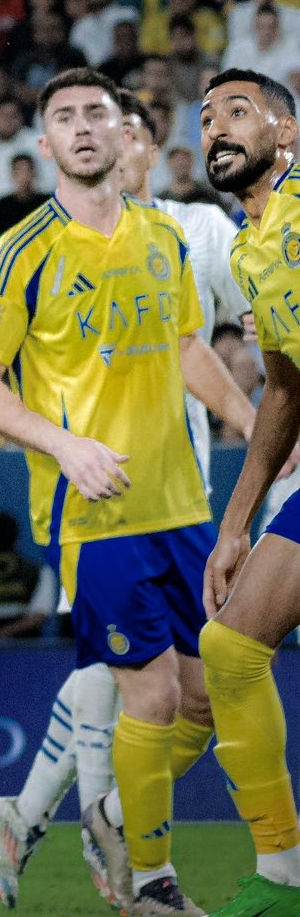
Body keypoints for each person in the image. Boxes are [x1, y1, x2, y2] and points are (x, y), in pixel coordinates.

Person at [0, 68, 256, 917]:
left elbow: (188, 345)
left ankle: (105, 814)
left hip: (183, 505)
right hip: (95, 513)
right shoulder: (24, 249)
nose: (84, 127)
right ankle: (151, 884)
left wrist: (250, 421)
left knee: (206, 696)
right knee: (149, 694)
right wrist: (60, 445)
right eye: (65, 117)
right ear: (45, 143)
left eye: (99, 113)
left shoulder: (163, 235)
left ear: (127, 135)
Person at [195, 70, 300, 917]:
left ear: (287, 133)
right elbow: (284, 387)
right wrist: (235, 525)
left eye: (238, 111)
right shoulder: (247, 251)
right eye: (205, 119)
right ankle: (282, 874)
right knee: (230, 650)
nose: (216, 129)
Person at [0, 513, 55, 640]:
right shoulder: (40, 572)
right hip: (22, 649)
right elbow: (38, 616)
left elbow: (38, 617)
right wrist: (1, 634)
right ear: (17, 537)